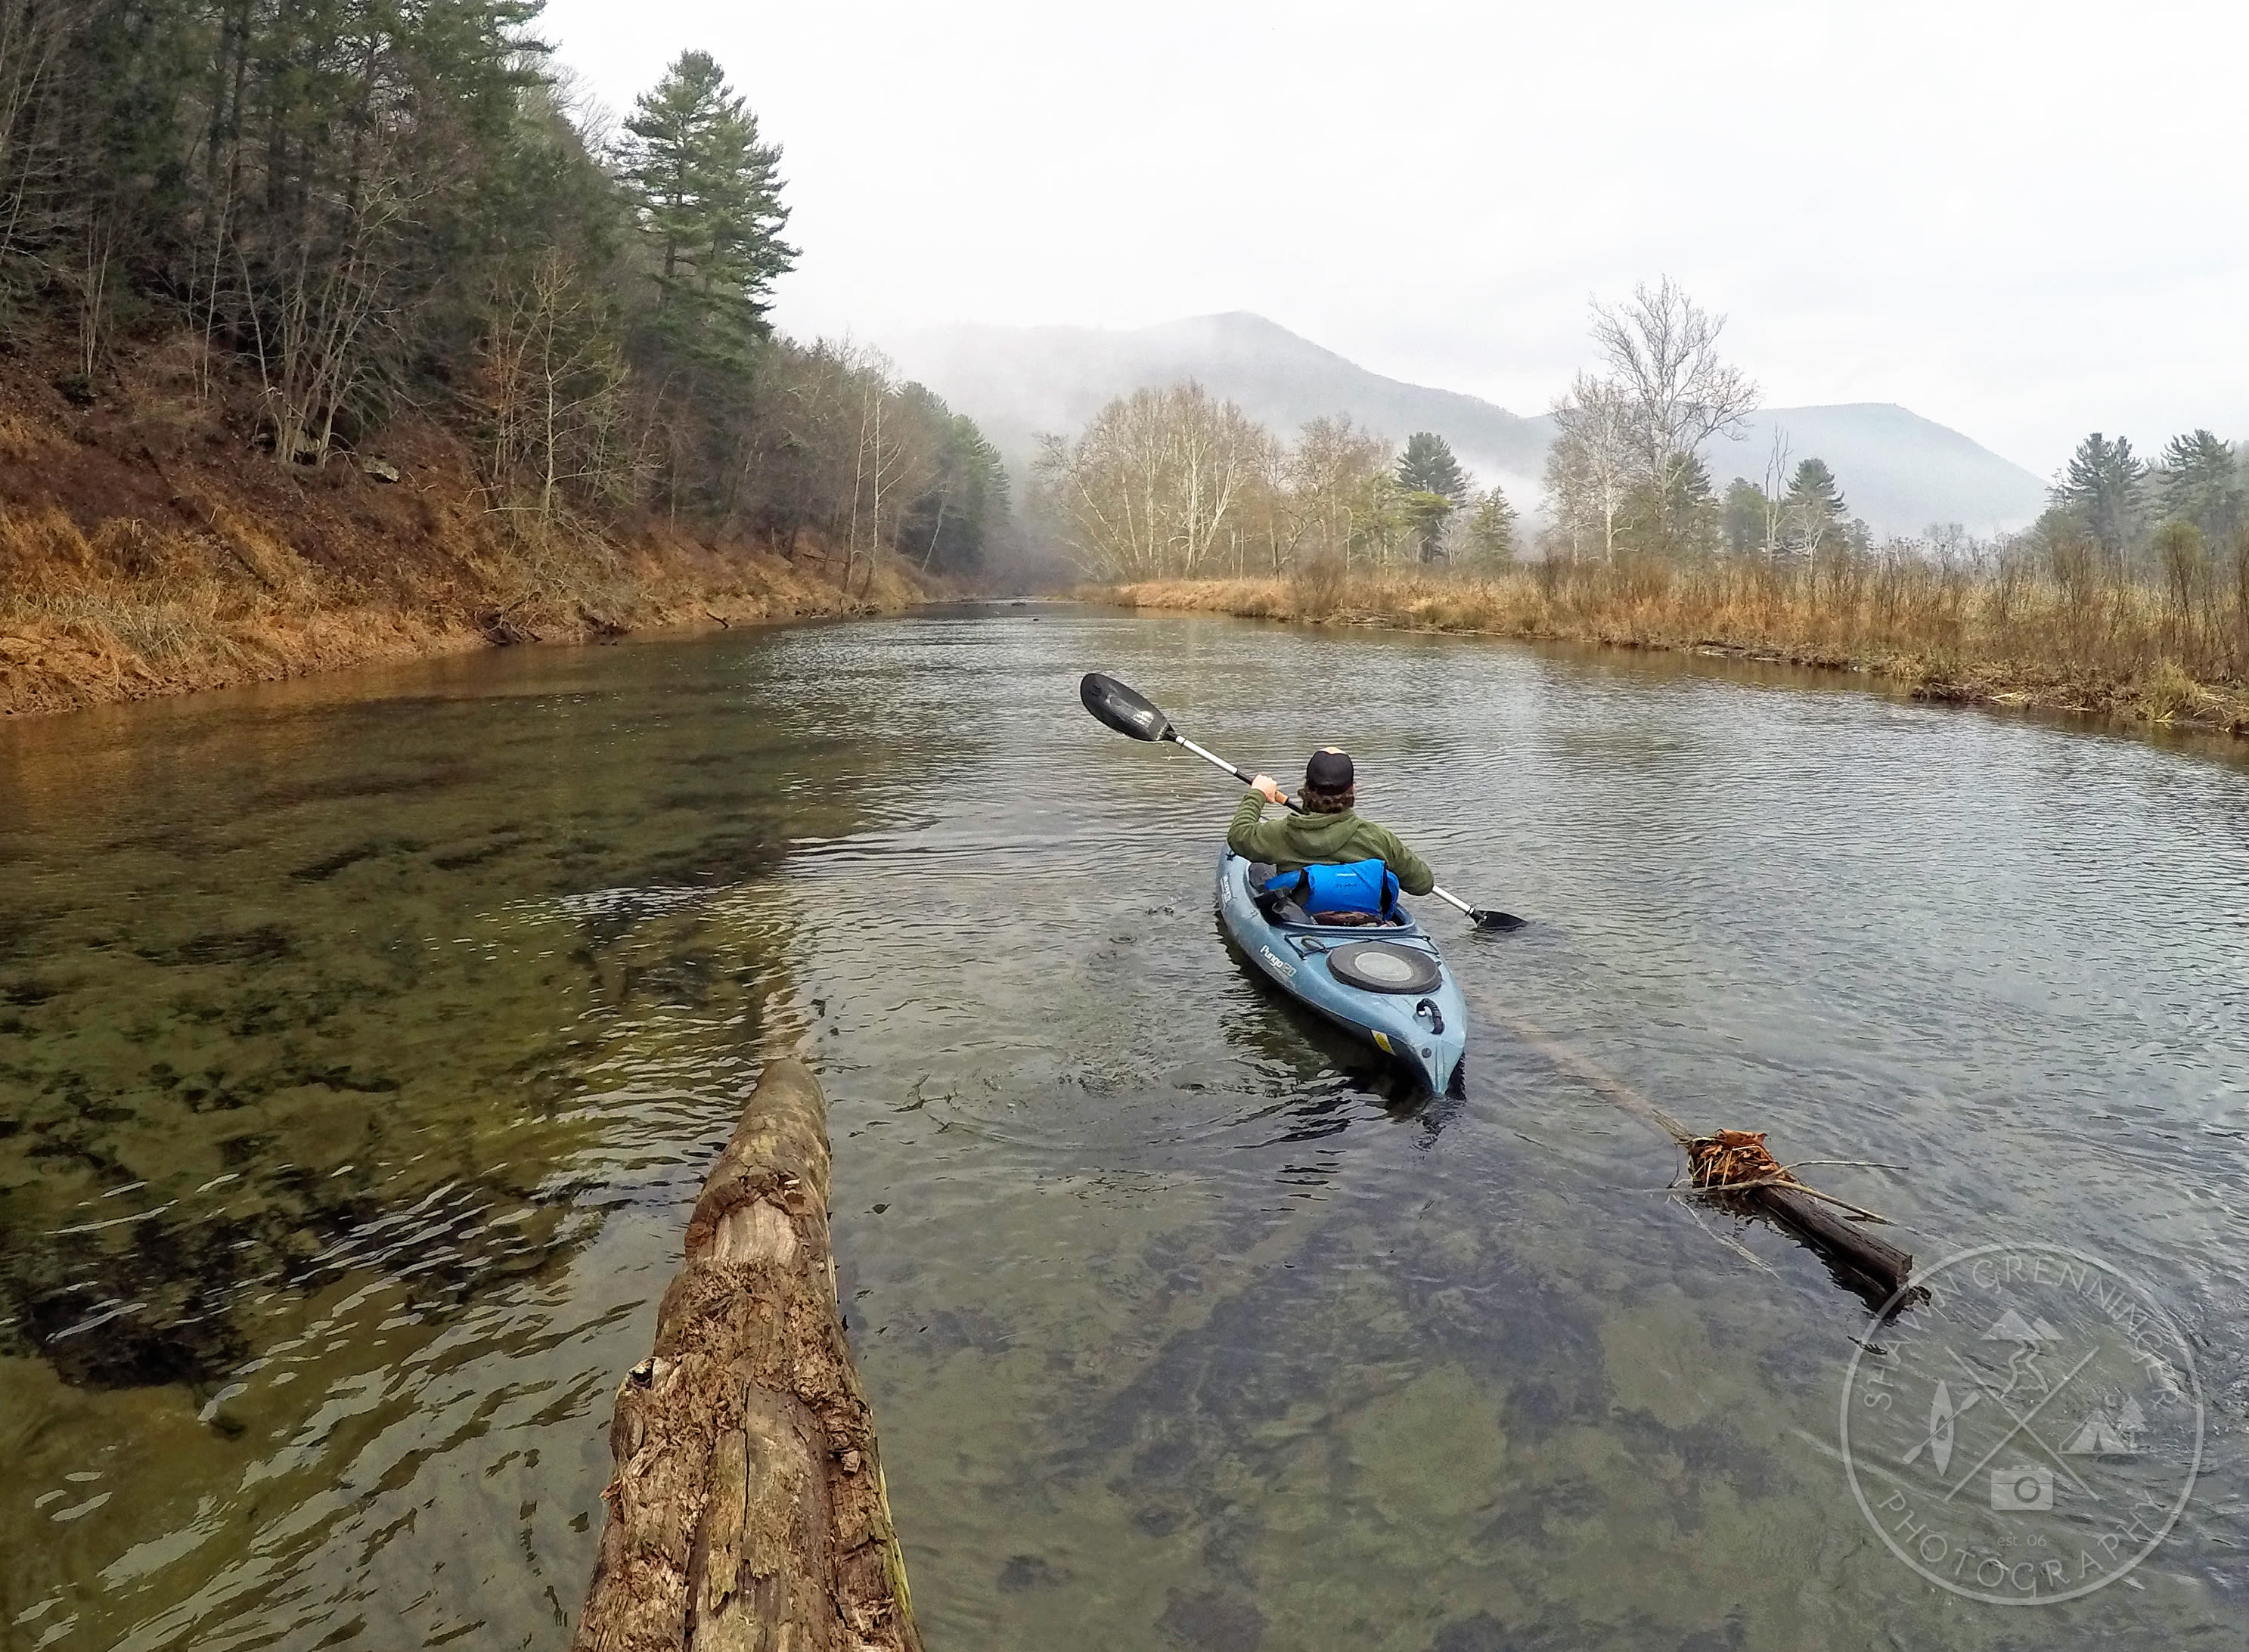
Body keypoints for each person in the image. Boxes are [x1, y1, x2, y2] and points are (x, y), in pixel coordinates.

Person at [1227, 745, 1434, 900]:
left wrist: (1258, 793)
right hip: (1365, 924)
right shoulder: (1379, 838)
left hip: (1299, 919)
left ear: (1306, 787)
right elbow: (1423, 884)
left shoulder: (1279, 833)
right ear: (1353, 789)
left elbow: (1238, 836)